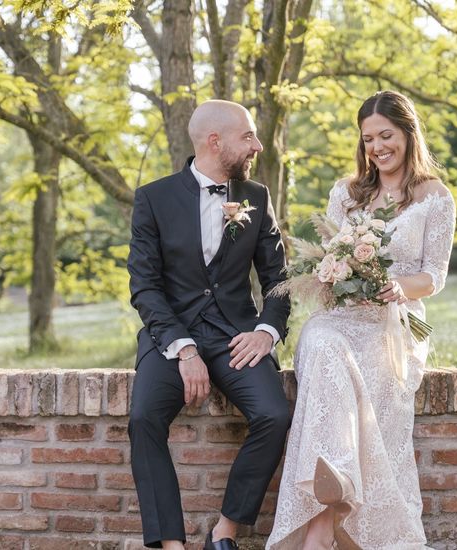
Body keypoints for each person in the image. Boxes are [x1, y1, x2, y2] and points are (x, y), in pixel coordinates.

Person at [267, 90, 456, 549]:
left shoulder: (436, 197)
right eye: (368, 138)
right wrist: (338, 273)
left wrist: (396, 288)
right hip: (340, 315)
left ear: (409, 134)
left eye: (386, 135)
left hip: (401, 318)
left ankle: (321, 525)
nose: (377, 147)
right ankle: (327, 513)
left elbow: (435, 276)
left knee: (371, 371)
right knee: (323, 345)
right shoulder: (345, 193)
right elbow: (327, 261)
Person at [127, 99, 292, 550]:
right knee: (143, 418)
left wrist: (266, 331)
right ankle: (171, 544)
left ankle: (225, 532)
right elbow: (144, 286)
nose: (257, 145)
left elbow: (278, 280)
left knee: (275, 415)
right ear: (214, 141)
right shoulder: (154, 199)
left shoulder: (255, 196)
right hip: (172, 337)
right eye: (248, 137)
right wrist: (183, 349)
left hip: (235, 336)